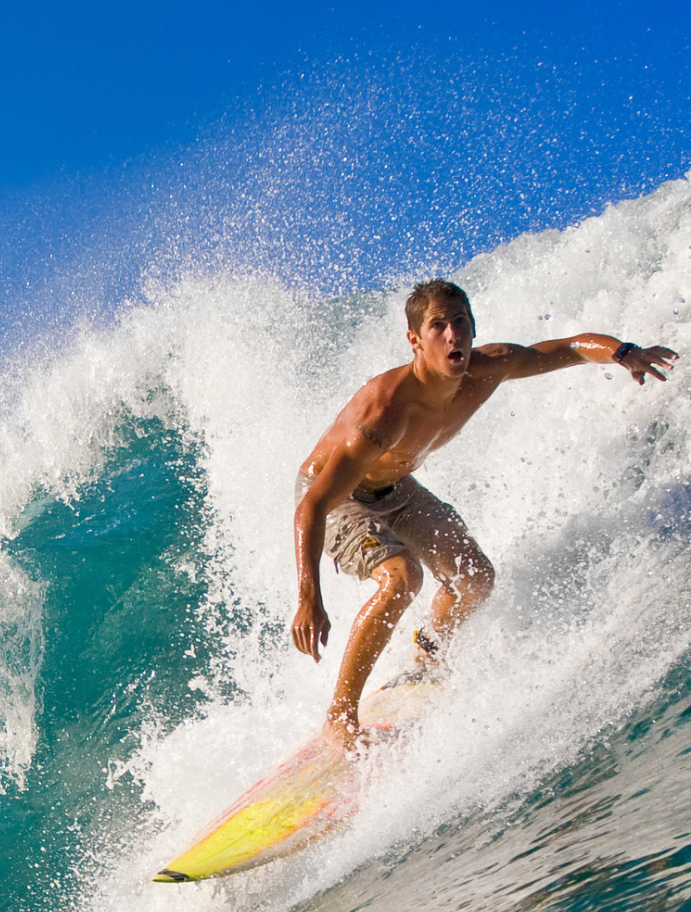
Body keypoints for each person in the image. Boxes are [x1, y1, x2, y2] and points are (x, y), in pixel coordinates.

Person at [291, 279, 678, 753]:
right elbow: (312, 506)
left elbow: (569, 349)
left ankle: (428, 651)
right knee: (402, 578)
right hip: (338, 494)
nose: (453, 334)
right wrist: (309, 598)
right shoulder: (385, 409)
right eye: (438, 326)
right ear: (415, 340)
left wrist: (625, 353)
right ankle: (339, 717)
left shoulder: (488, 368)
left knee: (475, 576)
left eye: (460, 322)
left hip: (397, 485)